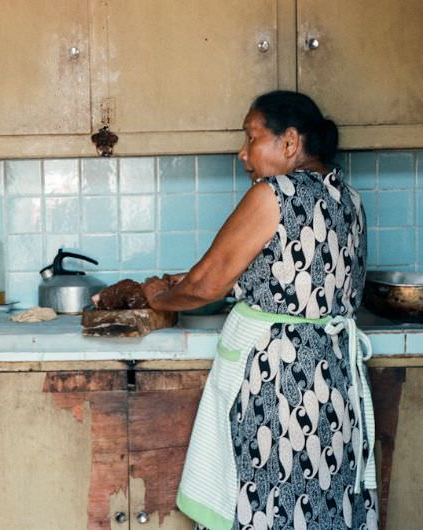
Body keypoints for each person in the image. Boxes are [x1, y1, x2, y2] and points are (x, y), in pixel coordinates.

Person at [97, 91, 377, 529]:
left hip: (282, 383)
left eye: (251, 137)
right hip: (334, 380)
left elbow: (205, 285)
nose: (242, 152)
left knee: (270, 500)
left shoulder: (274, 193)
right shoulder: (349, 200)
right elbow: (291, 281)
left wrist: (157, 297)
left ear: (289, 142)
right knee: (322, 501)